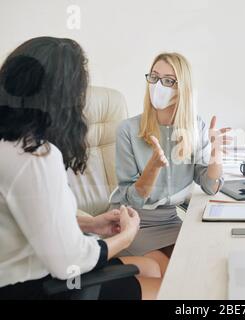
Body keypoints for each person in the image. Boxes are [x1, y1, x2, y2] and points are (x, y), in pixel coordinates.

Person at [0, 37, 161, 300]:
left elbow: (33, 216)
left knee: (152, 267)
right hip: (33, 284)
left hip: (29, 267)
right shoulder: (34, 156)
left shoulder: (10, 144)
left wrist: (92, 223)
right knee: (165, 288)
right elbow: (67, 262)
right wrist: (126, 237)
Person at [111, 53, 231, 270]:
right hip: (132, 221)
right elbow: (133, 199)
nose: (158, 86)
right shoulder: (127, 130)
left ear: (181, 89)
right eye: (154, 77)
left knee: (200, 265)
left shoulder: (196, 127)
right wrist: (153, 168)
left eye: (168, 81)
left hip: (169, 221)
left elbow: (210, 186)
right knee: (172, 274)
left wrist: (216, 152)